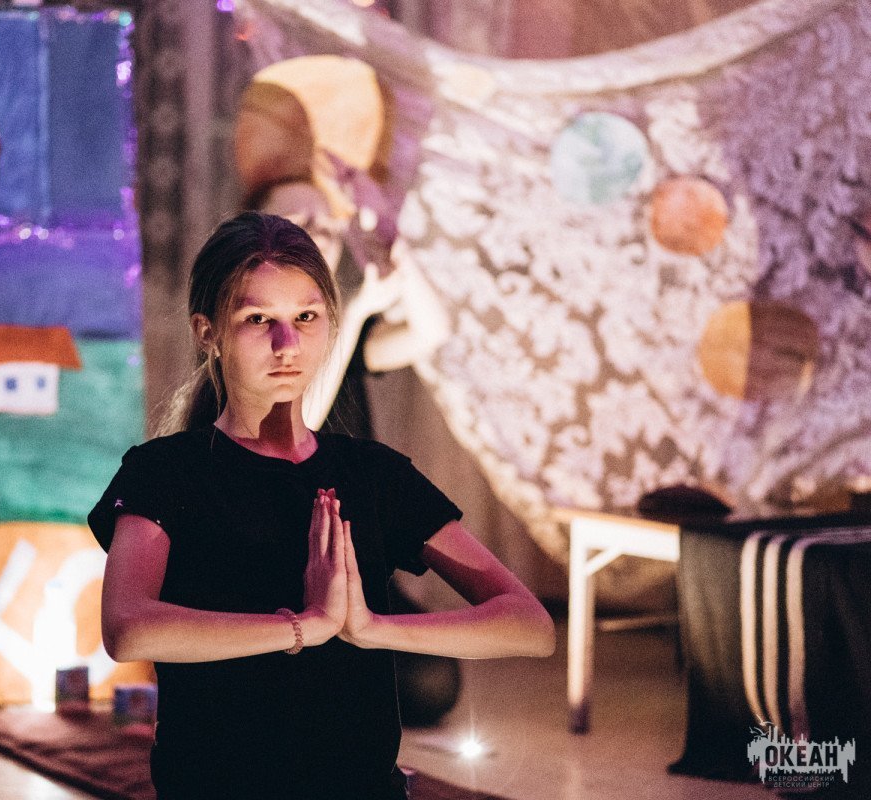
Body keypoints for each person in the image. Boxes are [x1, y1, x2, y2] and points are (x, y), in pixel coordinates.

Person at [88, 212, 554, 800]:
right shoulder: (165, 471)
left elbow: (530, 626)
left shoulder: (373, 473)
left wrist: (372, 628)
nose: (287, 344)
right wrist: (303, 627)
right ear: (207, 333)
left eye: (305, 318)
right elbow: (128, 628)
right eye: (258, 319)